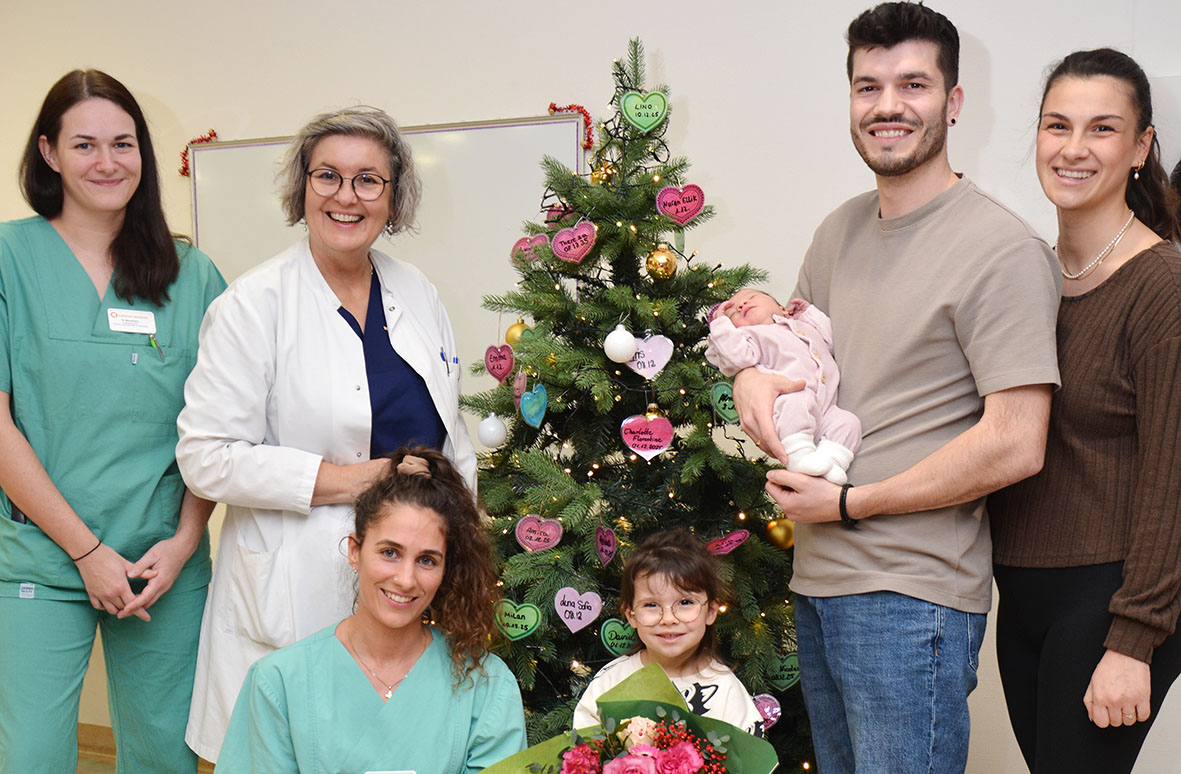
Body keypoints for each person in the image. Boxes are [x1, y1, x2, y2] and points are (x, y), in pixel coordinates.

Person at [731, 4, 1061, 771]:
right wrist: (751, 376)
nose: (886, 105)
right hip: (816, 580)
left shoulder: (1000, 249)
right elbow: (798, 362)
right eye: (867, 85)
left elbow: (1015, 441)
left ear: (951, 101)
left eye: (912, 84)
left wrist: (853, 503)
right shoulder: (836, 230)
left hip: (911, 598)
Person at [177, 106, 477, 761]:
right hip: (296, 574)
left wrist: (463, 537)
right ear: (301, 188)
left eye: (369, 180)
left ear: (393, 197)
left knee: (393, 751)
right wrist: (352, 482)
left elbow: (449, 434)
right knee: (289, 749)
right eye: (327, 176)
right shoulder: (253, 305)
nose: (346, 196)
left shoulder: (416, 292)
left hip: (409, 577)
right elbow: (205, 458)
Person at [0, 70, 225, 773]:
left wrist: (187, 540)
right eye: (85, 144)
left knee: (164, 756)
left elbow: (219, 425)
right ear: (49, 153)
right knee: (30, 756)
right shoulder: (10, 260)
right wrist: (87, 552)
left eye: (122, 143)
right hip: (42, 556)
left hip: (162, 563)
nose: (106, 162)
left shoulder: (192, 273)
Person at [988, 48, 1181, 774]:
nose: (1071, 149)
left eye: (1101, 129)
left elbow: (1172, 478)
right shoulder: (1028, 276)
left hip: (1112, 598)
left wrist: (1133, 640)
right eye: (1055, 125)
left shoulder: (1161, 285)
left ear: (1139, 147)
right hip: (1022, 589)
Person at [216, 447, 526, 773]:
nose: (406, 580)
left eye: (426, 560)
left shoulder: (485, 685)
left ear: (445, 569)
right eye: (390, 552)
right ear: (355, 551)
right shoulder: (278, 683)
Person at [572, 530, 764, 737]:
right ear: (631, 615)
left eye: (685, 603)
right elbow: (584, 753)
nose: (668, 619)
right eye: (651, 605)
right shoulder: (611, 681)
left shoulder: (725, 688)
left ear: (710, 612)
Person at [705, 288, 861, 485]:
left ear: (781, 308)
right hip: (790, 401)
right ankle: (798, 456)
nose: (742, 305)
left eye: (751, 297)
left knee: (849, 422)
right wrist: (720, 324)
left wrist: (808, 313)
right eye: (733, 312)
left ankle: (831, 463)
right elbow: (735, 357)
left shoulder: (803, 326)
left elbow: (832, 340)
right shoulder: (750, 337)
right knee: (798, 399)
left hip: (826, 407)